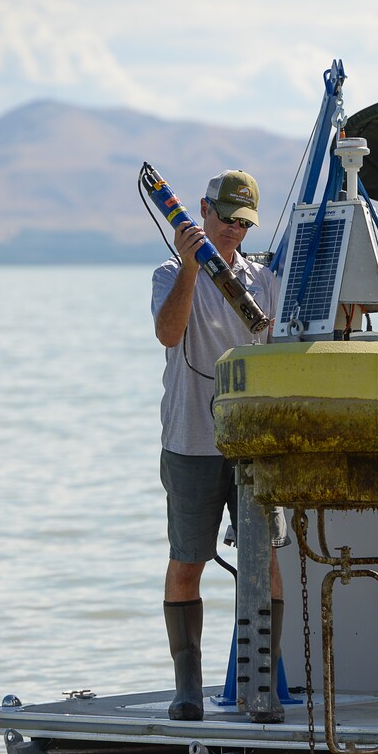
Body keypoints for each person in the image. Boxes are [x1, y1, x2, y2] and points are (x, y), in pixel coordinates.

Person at [151, 169, 290, 724]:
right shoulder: (169, 271)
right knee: (188, 560)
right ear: (203, 212)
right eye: (226, 218)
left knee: (267, 560)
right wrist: (191, 266)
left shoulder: (265, 278)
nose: (233, 230)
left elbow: (283, 341)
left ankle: (264, 689)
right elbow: (168, 332)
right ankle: (187, 687)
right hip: (190, 439)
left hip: (255, 442)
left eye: (243, 222)